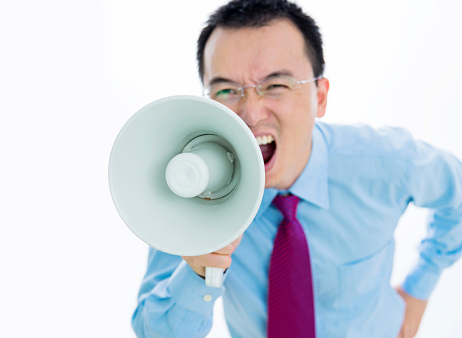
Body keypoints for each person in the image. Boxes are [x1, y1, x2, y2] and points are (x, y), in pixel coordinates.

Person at [131, 0, 462, 337]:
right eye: (227, 90)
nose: (251, 114)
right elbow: (153, 331)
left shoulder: (386, 162)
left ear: (320, 97)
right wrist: (198, 273)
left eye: (276, 85)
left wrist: (420, 288)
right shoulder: (189, 202)